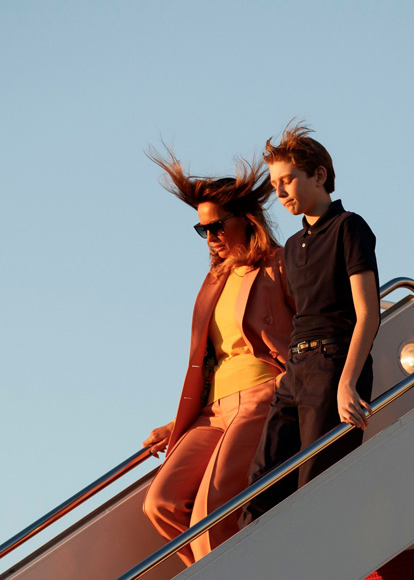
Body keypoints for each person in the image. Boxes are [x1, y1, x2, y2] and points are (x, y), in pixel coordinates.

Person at [141, 148, 294, 565]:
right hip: (213, 410)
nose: (210, 238)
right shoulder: (213, 282)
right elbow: (212, 364)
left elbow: (310, 327)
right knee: (162, 503)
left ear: (246, 218)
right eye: (201, 230)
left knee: (211, 511)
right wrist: (179, 424)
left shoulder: (279, 264)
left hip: (262, 393)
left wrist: (289, 383)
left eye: (216, 226)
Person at [240, 123, 380, 525]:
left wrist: (347, 382)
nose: (280, 192)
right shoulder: (291, 247)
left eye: (288, 180)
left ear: (318, 175)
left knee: (318, 488)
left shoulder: (349, 227)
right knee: (259, 495)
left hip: (332, 363)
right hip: (295, 372)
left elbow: (368, 313)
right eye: (275, 184)